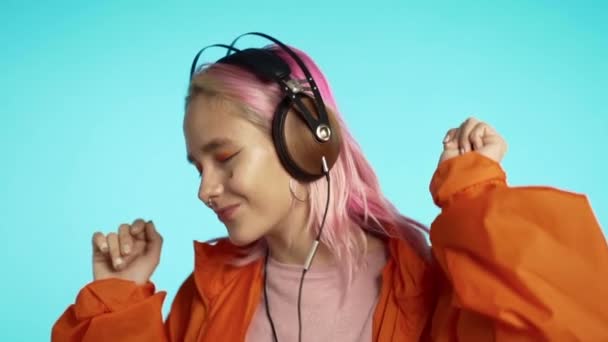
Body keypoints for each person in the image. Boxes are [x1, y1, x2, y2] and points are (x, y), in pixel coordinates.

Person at [52, 33, 608, 341]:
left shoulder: (418, 282)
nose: (206, 190)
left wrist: (475, 198)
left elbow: (564, 327)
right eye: (197, 167)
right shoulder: (212, 290)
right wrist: (117, 304)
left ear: (306, 140)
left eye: (223, 158)